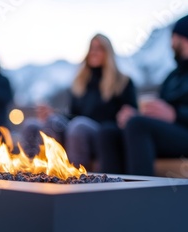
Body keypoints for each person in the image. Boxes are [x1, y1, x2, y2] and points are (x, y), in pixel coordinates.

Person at [98, 10, 188, 175]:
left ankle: (141, 199)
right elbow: (162, 114)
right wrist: (138, 114)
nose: (171, 43)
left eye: (173, 37)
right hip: (176, 137)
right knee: (108, 132)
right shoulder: (174, 76)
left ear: (184, 37)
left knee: (138, 126)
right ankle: (111, 197)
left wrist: (176, 114)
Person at [20, 34, 137, 170]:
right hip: (76, 127)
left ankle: (75, 179)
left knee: (78, 126)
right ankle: (33, 174)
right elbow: (73, 115)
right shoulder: (80, 83)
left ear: (108, 53)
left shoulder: (122, 82)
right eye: (91, 48)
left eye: (99, 48)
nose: (93, 52)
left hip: (101, 134)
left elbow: (130, 116)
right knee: (35, 124)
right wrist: (53, 114)